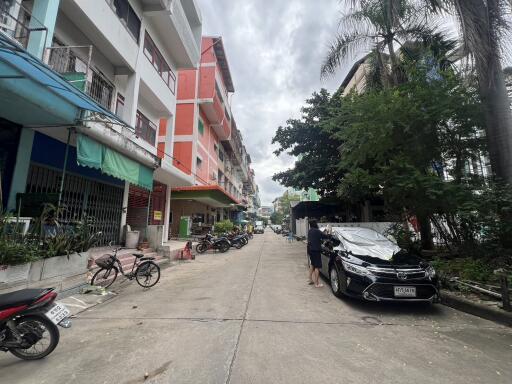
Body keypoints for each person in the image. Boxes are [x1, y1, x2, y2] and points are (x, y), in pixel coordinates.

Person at [307, 220, 330, 288]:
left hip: (310, 250)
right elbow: (325, 236)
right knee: (317, 267)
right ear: (315, 224)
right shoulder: (317, 231)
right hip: (316, 251)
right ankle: (317, 284)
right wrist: (328, 232)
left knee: (312, 264)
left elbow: (317, 237)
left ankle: (310, 279)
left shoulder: (310, 230)